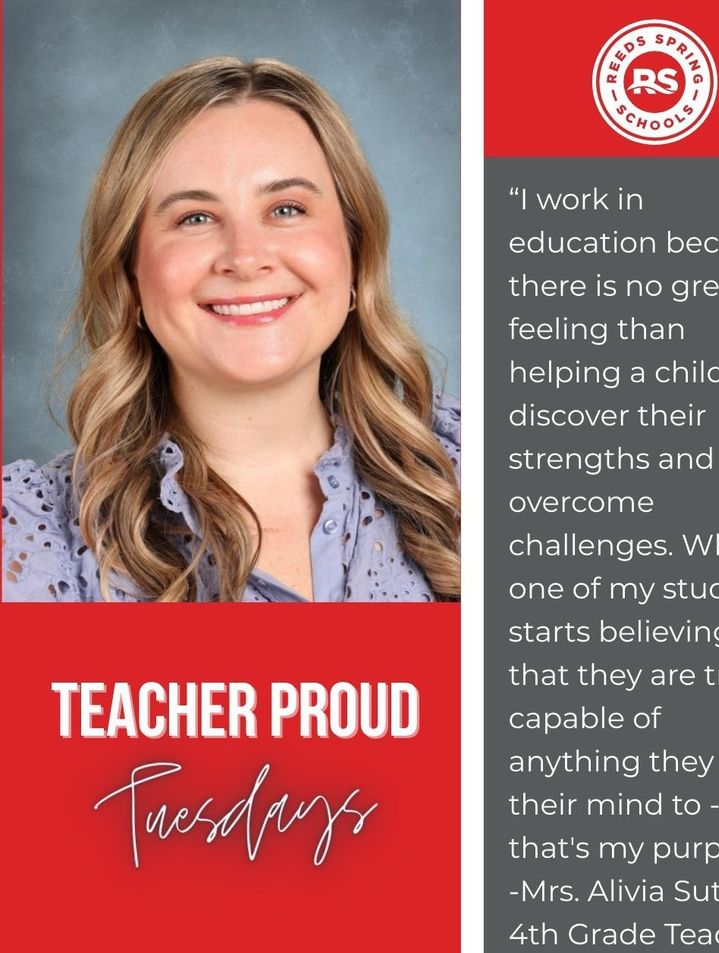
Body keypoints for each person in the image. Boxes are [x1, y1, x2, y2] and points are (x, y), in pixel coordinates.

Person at [2, 57, 460, 603]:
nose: (245, 258)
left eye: (287, 209)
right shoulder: (27, 534)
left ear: (356, 254)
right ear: (133, 277)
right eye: (194, 217)